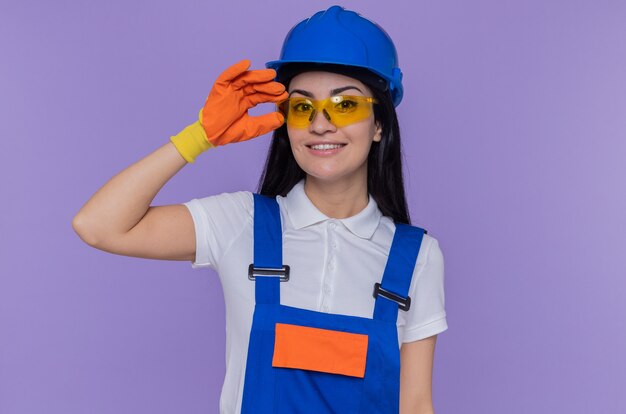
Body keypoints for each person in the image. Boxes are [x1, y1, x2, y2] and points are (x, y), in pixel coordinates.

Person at [72, 5, 447, 414]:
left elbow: (415, 404)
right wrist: (199, 137)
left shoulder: (417, 258)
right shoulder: (242, 224)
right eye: (302, 107)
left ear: (379, 124)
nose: (320, 124)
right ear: (285, 123)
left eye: (345, 105)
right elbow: (99, 225)